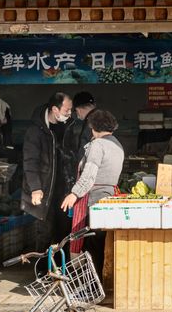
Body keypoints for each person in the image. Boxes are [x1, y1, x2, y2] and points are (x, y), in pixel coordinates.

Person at [62, 109, 124, 279]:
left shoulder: (98, 144)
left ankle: (91, 288)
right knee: (99, 245)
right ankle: (96, 286)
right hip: (109, 199)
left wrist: (74, 194)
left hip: (94, 201)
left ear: (94, 127)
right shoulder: (117, 145)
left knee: (90, 246)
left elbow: (89, 175)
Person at [21, 93, 69, 245]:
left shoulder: (67, 126)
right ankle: (43, 269)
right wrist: (35, 188)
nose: (70, 113)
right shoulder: (35, 131)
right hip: (44, 190)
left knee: (64, 232)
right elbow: (30, 161)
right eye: (67, 109)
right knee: (45, 233)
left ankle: (62, 268)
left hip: (63, 190)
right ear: (55, 109)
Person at [61, 91, 97, 181]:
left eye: (76, 111)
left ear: (79, 109)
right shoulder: (100, 118)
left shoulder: (91, 122)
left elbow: (85, 150)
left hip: (89, 174)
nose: (77, 115)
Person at [0, 85, 13, 149]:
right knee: (5, 133)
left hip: (6, 118)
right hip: (6, 118)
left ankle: (7, 147)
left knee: (6, 133)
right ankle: (5, 146)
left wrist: (0, 123)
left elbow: (0, 114)